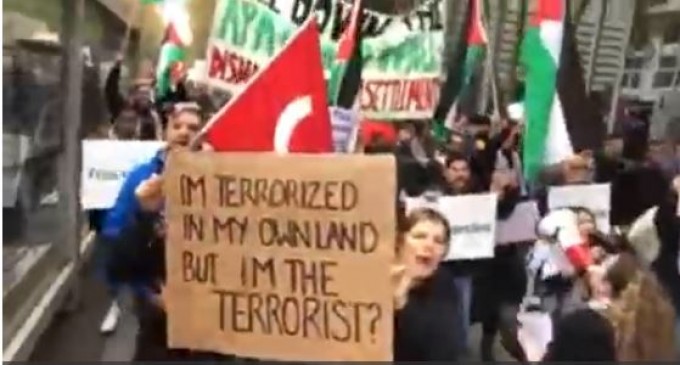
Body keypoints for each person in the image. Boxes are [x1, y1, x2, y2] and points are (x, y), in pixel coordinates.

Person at [101, 102, 204, 360]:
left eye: (193, 128)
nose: (184, 133)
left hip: (209, 319)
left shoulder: (222, 180)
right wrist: (144, 213)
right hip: (156, 314)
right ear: (165, 132)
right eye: (177, 126)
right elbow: (116, 251)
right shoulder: (141, 178)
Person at [392, 207, 460, 361]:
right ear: (400, 241)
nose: (429, 245)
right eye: (419, 236)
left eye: (438, 241)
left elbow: (444, 348)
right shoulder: (377, 281)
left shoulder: (445, 283)